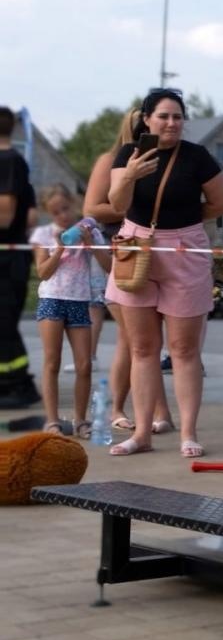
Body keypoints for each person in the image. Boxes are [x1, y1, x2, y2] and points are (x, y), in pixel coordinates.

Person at [105, 88, 223, 456]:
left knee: (183, 348)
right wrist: (128, 176)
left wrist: (183, 226)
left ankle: (188, 433)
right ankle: (141, 433)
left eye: (177, 116)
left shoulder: (197, 156)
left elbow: (220, 203)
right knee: (143, 347)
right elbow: (116, 205)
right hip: (135, 246)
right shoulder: (130, 153)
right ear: (146, 119)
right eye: (163, 116)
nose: (171, 122)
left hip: (183, 248)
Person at [83, 108, 173, 433]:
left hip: (154, 251)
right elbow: (92, 208)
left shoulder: (163, 160)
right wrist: (128, 205)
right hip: (119, 253)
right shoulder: (112, 161)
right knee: (132, 339)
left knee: (147, 341)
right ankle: (113, 408)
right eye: (142, 123)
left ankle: (158, 412)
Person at [29, 186, 110, 436]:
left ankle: (80, 420)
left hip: (79, 300)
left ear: (74, 204)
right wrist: (59, 251)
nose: (62, 215)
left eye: (65, 209)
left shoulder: (89, 231)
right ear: (48, 213)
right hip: (52, 299)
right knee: (52, 362)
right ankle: (52, 420)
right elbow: (42, 272)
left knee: (84, 364)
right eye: (56, 212)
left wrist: (90, 245)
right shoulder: (44, 234)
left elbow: (109, 266)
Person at [0, 105, 39, 410]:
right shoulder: (14, 162)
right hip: (10, 255)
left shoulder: (8, 161)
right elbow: (29, 217)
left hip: (7, 258)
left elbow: (5, 215)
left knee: (3, 323)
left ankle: (20, 385)